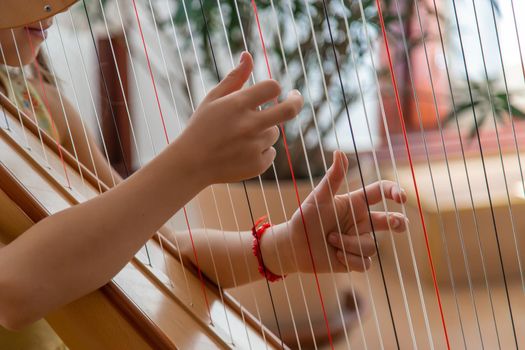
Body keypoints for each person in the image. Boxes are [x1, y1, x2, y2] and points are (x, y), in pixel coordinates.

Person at [0, 8, 408, 348]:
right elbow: (11, 291)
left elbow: (156, 250)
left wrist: (280, 247)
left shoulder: (38, 101)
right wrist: (190, 162)